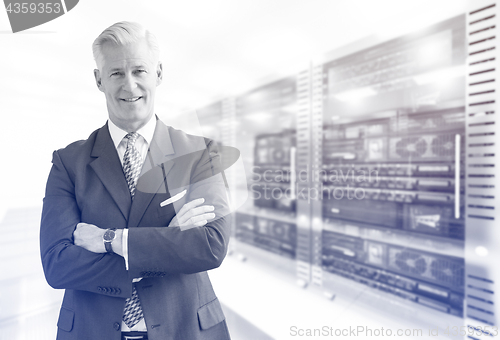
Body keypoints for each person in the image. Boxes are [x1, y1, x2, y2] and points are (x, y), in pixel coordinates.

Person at [40, 21, 231, 340]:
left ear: (158, 73)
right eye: (116, 73)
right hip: (93, 330)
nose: (129, 86)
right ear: (99, 79)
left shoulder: (200, 153)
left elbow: (210, 246)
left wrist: (109, 240)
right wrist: (164, 242)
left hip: (185, 328)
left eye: (139, 71)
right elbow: (58, 265)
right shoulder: (69, 162)